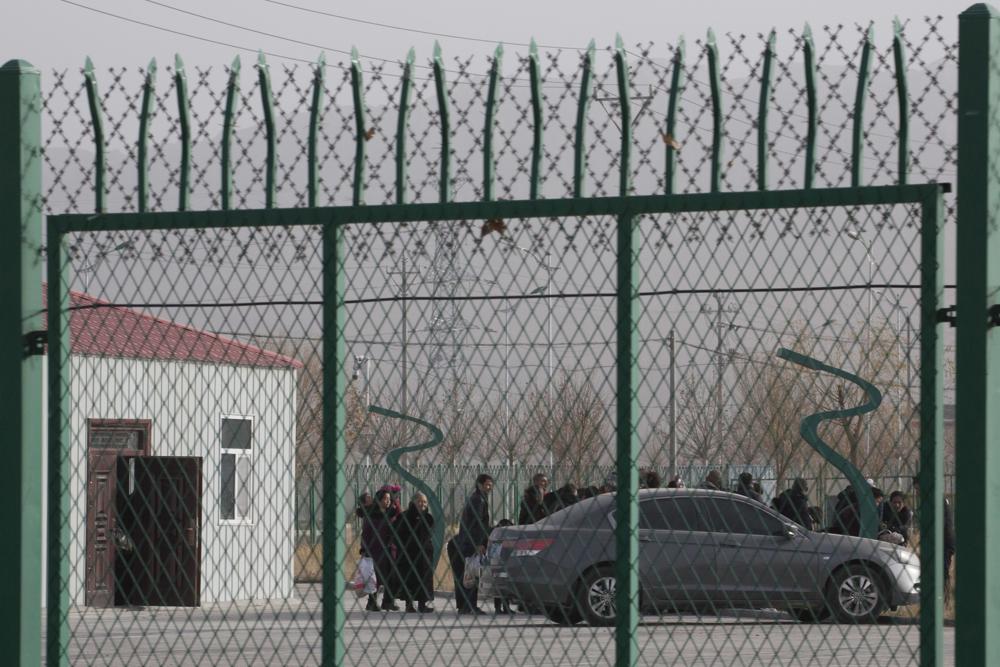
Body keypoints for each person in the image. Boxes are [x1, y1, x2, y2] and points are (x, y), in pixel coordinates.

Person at [448, 473, 494, 614]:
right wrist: (478, 543)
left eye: (491, 485)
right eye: (487, 484)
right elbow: (476, 524)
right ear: (479, 484)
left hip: (464, 542)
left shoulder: (478, 498)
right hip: (470, 543)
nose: (489, 488)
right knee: (471, 573)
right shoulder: (478, 500)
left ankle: (464, 606)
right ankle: (469, 605)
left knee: (466, 574)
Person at [357, 489, 400, 611]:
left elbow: (399, 516)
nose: (388, 501)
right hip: (375, 551)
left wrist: (395, 500)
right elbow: (366, 533)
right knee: (375, 577)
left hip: (390, 550)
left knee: (391, 577)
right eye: (385, 499)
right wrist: (364, 549)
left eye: (389, 499)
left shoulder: (391, 513)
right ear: (379, 500)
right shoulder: (371, 514)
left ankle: (388, 602)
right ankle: (371, 602)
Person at [912, 475, 956, 588]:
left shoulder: (936, 501)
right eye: (916, 489)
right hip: (939, 541)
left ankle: (943, 596)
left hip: (943, 542)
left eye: (918, 489)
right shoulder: (932, 500)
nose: (917, 492)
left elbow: (941, 523)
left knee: (942, 572)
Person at [395, 492, 435, 613]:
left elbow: (429, 535)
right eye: (420, 501)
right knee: (410, 579)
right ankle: (409, 604)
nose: (422, 504)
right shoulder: (404, 517)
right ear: (413, 502)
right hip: (409, 555)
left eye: (425, 502)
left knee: (424, 579)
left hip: (424, 555)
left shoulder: (428, 518)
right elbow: (397, 534)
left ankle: (422, 604)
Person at [492, 518, 515, 615]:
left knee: (500, 585)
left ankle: (501, 607)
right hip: (501, 563)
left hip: (497, 563)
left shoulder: (495, 536)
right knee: (502, 585)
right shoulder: (502, 539)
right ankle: (503, 607)